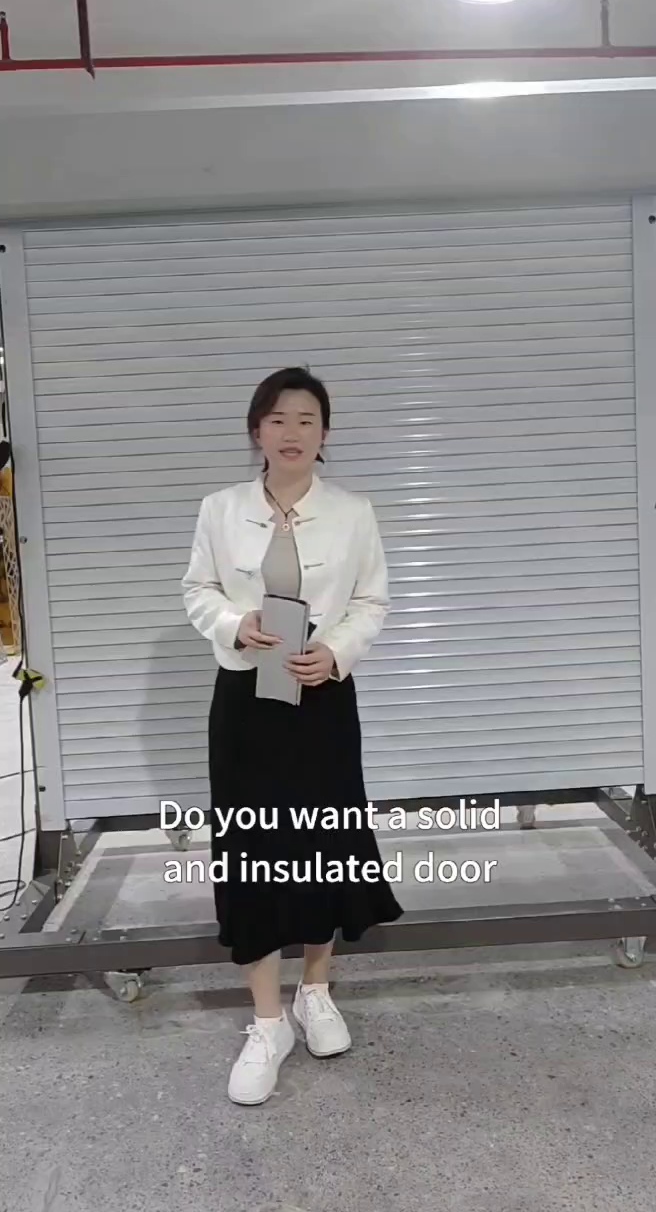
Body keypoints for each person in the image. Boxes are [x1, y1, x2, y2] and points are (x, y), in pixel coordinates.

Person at [181, 365, 403, 1105]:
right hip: (245, 702)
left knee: (324, 841)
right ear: (257, 430)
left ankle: (315, 990)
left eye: (306, 419)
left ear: (324, 433)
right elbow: (197, 589)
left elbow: (372, 600)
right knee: (252, 846)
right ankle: (267, 1020)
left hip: (323, 699)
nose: (292, 432)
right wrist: (232, 623)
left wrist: (335, 651)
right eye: (277, 418)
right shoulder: (220, 509)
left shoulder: (353, 512)